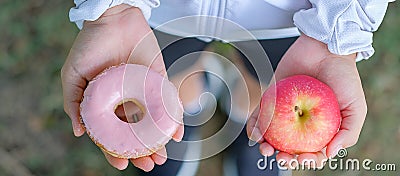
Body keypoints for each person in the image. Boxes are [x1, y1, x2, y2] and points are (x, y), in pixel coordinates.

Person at [62, 0, 393, 175]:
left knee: (266, 83)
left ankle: (247, 120)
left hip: (294, 15)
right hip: (155, 7)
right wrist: (112, 9)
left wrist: (340, 25)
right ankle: (185, 113)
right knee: (166, 73)